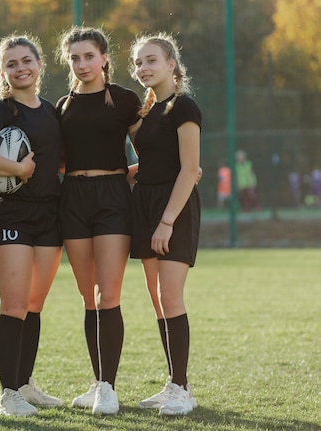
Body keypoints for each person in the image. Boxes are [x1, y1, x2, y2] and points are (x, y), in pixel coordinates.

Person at [0, 34, 63, 417]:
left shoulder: (52, 111)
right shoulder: (0, 111)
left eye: (26, 61)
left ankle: (25, 384)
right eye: (11, 63)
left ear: (40, 65)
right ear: (2, 72)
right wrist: (17, 169)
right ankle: (8, 394)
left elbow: (61, 161)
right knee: (14, 305)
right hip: (12, 216)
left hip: (50, 216)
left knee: (34, 306)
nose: (20, 68)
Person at [54, 27, 141, 415]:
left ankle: (108, 387)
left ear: (104, 57)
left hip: (112, 200)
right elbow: (58, 160)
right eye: (75, 58)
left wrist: (127, 175)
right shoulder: (62, 105)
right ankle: (97, 381)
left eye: (88, 56)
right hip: (72, 198)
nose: (82, 64)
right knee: (88, 297)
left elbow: (150, 148)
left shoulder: (124, 100)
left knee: (109, 294)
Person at [127, 32, 201, 416]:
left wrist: (167, 222)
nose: (143, 68)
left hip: (173, 209)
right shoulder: (147, 112)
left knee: (170, 297)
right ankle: (174, 382)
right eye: (139, 62)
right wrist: (127, 173)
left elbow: (190, 170)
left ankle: (182, 388)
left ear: (172, 65)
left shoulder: (183, 106)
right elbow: (157, 162)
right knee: (158, 301)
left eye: (151, 60)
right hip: (145, 204)